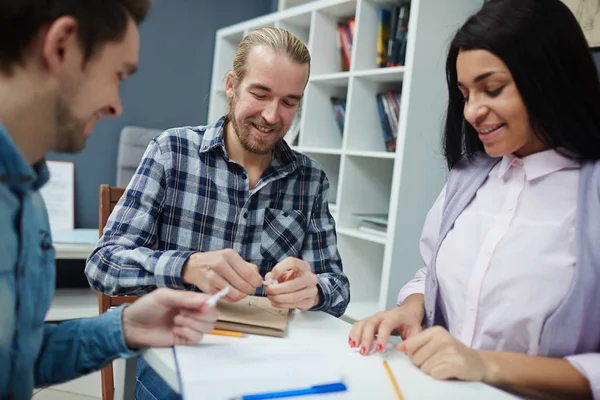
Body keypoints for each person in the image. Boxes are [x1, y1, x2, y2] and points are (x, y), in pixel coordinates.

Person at [349, 0, 599, 399]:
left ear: (550, 78)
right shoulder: (469, 178)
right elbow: (430, 274)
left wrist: (484, 364)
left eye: (492, 89)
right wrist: (410, 310)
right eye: (465, 93)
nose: (471, 111)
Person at [84, 27, 351, 399]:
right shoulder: (171, 152)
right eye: (260, 94)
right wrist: (187, 266)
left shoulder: (311, 180)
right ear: (231, 85)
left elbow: (338, 290)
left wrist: (313, 288)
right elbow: (103, 264)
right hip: (175, 348)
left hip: (268, 355)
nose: (272, 116)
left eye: (289, 102)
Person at [0, 1, 220, 399]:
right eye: (117, 74)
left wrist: (126, 326)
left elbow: (17, 360)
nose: (117, 104)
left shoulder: (27, 199)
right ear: (62, 46)